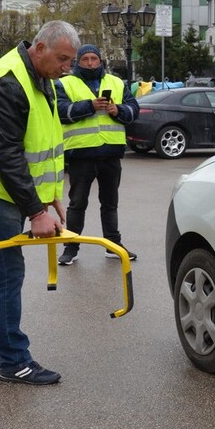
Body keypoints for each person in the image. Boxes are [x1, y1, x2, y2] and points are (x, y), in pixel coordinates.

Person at [0, 20, 79, 386]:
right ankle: (14, 360)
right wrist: (36, 211)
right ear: (39, 48)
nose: (67, 67)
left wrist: (50, 193)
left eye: (70, 60)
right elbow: (5, 153)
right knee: (7, 271)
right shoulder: (6, 81)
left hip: (7, 190)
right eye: (62, 58)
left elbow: (42, 141)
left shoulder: (41, 79)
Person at [55, 44, 140, 265]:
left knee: (110, 203)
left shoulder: (116, 82)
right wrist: (90, 106)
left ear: (100, 61)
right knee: (77, 203)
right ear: (78, 62)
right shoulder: (64, 83)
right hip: (81, 154)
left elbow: (134, 110)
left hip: (111, 154)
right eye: (85, 59)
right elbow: (61, 112)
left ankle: (113, 244)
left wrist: (117, 110)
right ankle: (71, 248)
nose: (90, 63)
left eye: (94, 59)